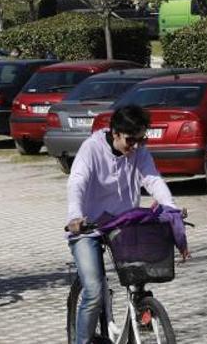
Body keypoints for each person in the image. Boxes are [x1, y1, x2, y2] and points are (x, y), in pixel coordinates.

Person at [65, 105, 184, 344]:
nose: (136, 146)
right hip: (89, 227)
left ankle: (138, 323)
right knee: (94, 291)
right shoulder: (92, 149)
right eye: (131, 140)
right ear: (115, 133)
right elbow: (77, 182)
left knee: (139, 282)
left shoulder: (138, 151)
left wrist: (170, 207)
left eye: (142, 139)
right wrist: (75, 217)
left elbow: (152, 178)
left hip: (123, 225)